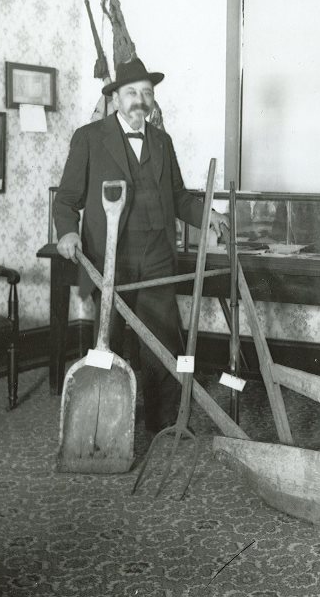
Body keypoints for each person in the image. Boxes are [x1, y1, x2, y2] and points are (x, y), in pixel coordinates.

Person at [53, 58, 227, 432]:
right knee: (109, 334)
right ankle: (105, 421)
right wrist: (67, 232)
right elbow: (66, 199)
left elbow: (178, 196)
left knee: (163, 337)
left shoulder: (162, 141)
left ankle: (161, 421)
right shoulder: (88, 138)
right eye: (132, 92)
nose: (140, 100)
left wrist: (206, 215)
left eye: (147, 93)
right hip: (109, 254)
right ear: (115, 98)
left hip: (157, 254)